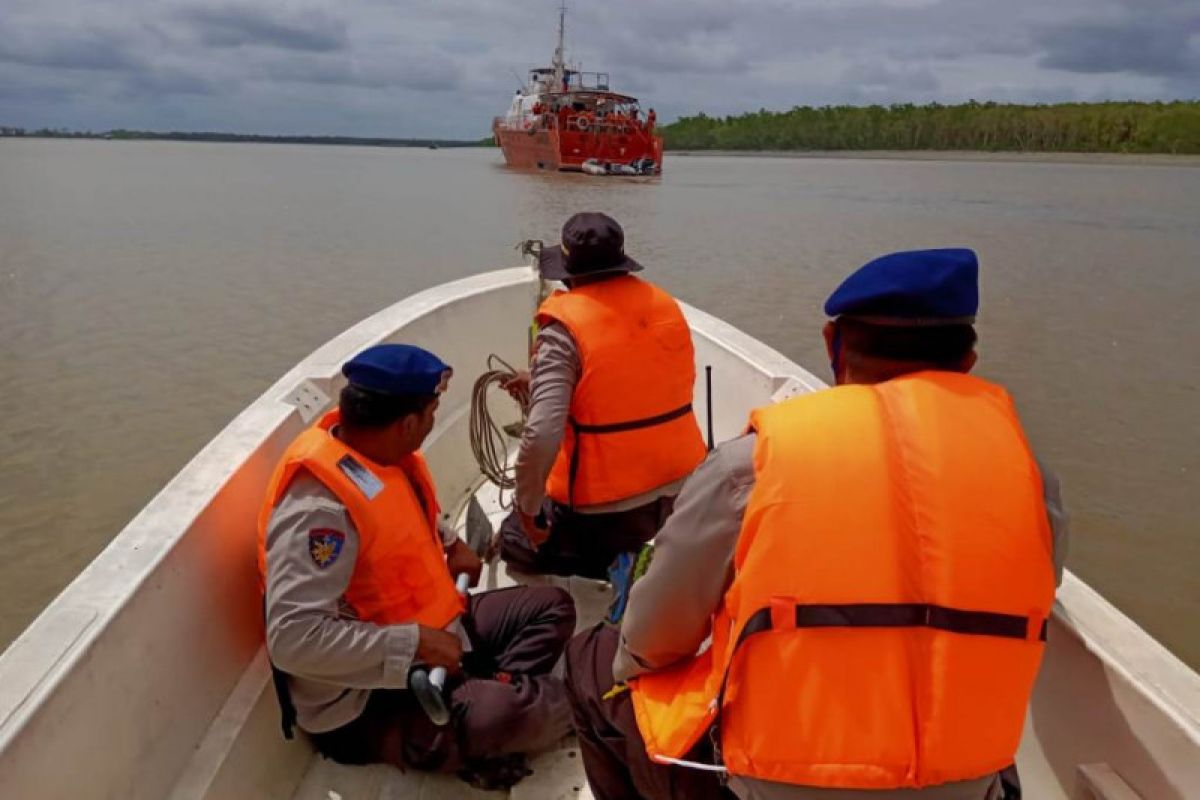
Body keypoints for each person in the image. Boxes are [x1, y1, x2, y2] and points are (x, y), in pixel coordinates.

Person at [565, 249, 1069, 800]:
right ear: (969, 362)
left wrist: (631, 661)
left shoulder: (752, 464)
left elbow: (654, 639)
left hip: (774, 785)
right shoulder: (1030, 476)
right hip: (968, 787)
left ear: (833, 344)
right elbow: (1040, 585)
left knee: (591, 665)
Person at [258, 344, 575, 787]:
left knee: (552, 607)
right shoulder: (319, 512)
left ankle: (482, 698)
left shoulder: (382, 453)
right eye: (431, 414)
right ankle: (490, 713)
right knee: (562, 703)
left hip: (437, 634)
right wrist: (416, 645)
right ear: (408, 422)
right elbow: (292, 640)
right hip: (367, 698)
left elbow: (397, 512)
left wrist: (451, 542)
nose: (431, 424)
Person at [498, 212, 707, 582]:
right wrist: (543, 378)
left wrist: (528, 510)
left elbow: (542, 434)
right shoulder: (663, 305)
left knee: (513, 539)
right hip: (680, 490)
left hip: (605, 512)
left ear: (566, 271)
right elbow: (625, 377)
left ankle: (609, 569)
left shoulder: (563, 330)